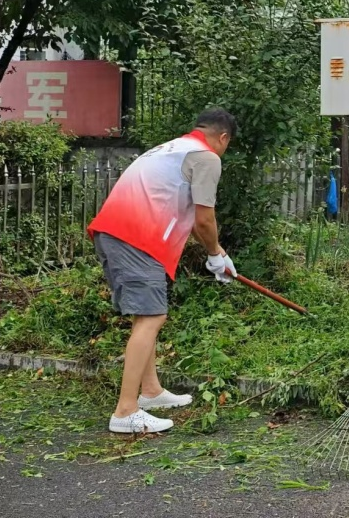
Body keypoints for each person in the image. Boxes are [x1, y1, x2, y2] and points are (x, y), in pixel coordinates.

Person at [87, 109, 239, 434]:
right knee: (153, 317)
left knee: (146, 316)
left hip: (115, 232)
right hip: (136, 236)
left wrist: (218, 253)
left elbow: (193, 218)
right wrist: (213, 254)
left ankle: (151, 392)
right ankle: (126, 411)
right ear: (223, 137)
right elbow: (204, 218)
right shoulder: (208, 157)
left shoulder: (174, 148)